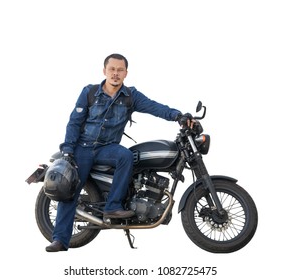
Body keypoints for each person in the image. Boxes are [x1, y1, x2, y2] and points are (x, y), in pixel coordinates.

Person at [46, 53, 186, 252]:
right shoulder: (89, 92)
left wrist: (177, 116)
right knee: (71, 191)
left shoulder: (131, 96)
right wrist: (68, 151)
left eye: (120, 70)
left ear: (126, 73)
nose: (115, 73)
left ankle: (113, 205)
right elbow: (74, 123)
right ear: (104, 71)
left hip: (107, 148)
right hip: (83, 148)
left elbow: (155, 107)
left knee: (126, 156)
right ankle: (59, 240)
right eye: (112, 69)